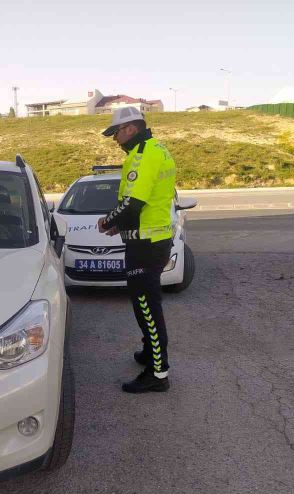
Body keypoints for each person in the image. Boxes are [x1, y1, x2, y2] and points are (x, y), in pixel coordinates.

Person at [97, 107, 177, 394]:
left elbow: (133, 203)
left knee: (146, 308)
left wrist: (107, 221)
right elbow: (146, 202)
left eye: (116, 133)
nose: (115, 141)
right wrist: (121, 225)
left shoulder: (142, 155)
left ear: (130, 128)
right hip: (154, 239)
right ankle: (149, 352)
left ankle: (157, 373)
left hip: (145, 244)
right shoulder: (158, 149)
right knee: (147, 304)